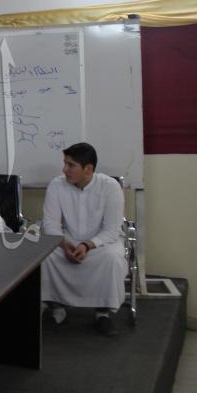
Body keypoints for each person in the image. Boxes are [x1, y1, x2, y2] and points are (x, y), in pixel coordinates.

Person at [40, 142, 127, 337]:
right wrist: (64, 245)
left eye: (71, 165)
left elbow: (112, 230)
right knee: (46, 256)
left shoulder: (110, 187)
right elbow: (50, 224)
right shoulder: (56, 185)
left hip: (101, 243)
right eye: (65, 163)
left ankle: (102, 314)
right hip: (67, 240)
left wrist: (87, 245)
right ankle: (57, 309)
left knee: (112, 258)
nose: (64, 169)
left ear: (88, 169)